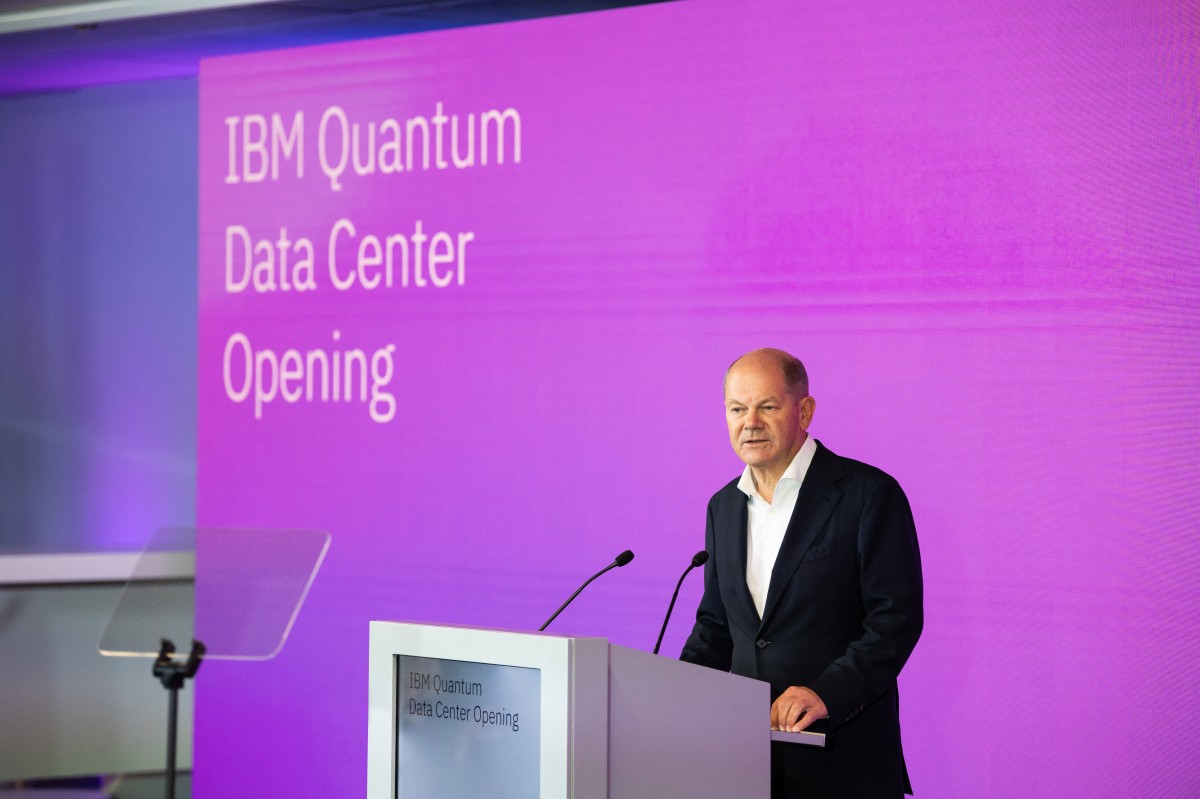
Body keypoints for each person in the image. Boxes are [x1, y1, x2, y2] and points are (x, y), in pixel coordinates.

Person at [680, 348, 923, 798]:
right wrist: (670, 694)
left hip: (841, 760)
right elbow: (717, 626)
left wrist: (825, 692)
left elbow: (895, 622)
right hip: (743, 763)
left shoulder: (868, 495)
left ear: (804, 411)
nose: (749, 421)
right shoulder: (723, 506)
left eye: (766, 406)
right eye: (737, 409)